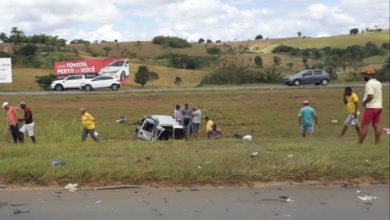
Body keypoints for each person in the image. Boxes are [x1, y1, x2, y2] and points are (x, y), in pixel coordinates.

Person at [358, 67, 383, 144]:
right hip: (379, 107)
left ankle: (359, 144)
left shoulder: (369, 84)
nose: (364, 76)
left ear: (369, 75)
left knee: (364, 126)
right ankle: (377, 142)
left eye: (365, 74)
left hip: (371, 107)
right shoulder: (379, 83)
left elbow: (370, 96)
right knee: (377, 125)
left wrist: (364, 103)